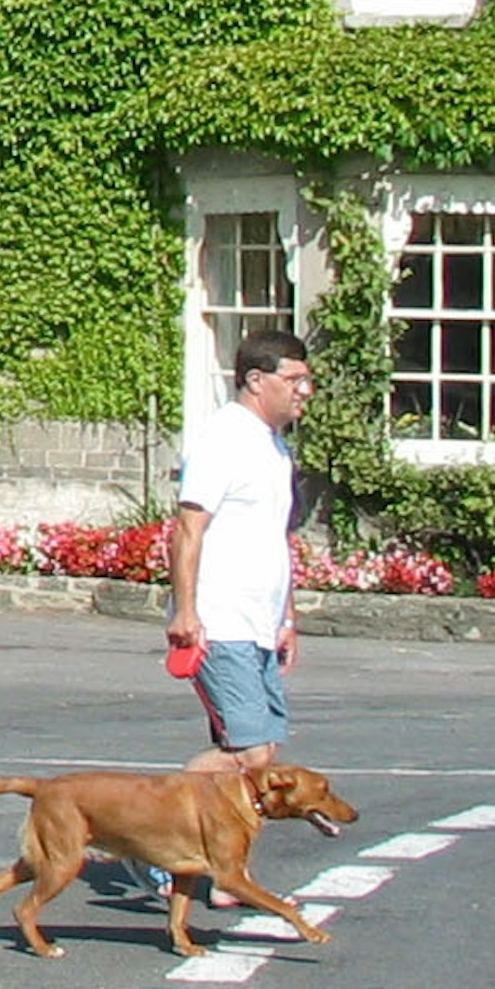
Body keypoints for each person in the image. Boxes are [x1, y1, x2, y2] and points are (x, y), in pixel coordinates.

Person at [170, 325, 313, 772]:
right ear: (255, 380)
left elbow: (275, 539)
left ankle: (163, 836)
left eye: (307, 381)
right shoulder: (223, 440)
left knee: (262, 749)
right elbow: (187, 530)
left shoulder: (275, 448)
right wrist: (186, 613)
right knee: (251, 755)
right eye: (293, 381)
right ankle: (132, 831)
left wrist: (286, 618)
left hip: (260, 624)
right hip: (220, 622)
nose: (304, 392)